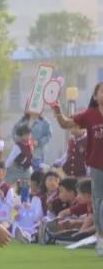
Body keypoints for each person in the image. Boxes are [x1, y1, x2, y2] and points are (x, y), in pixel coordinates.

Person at [51, 86, 103, 256]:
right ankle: (101, 237)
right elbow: (65, 123)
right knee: (99, 204)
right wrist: (58, 111)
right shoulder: (89, 115)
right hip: (97, 166)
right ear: (95, 96)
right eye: (102, 91)